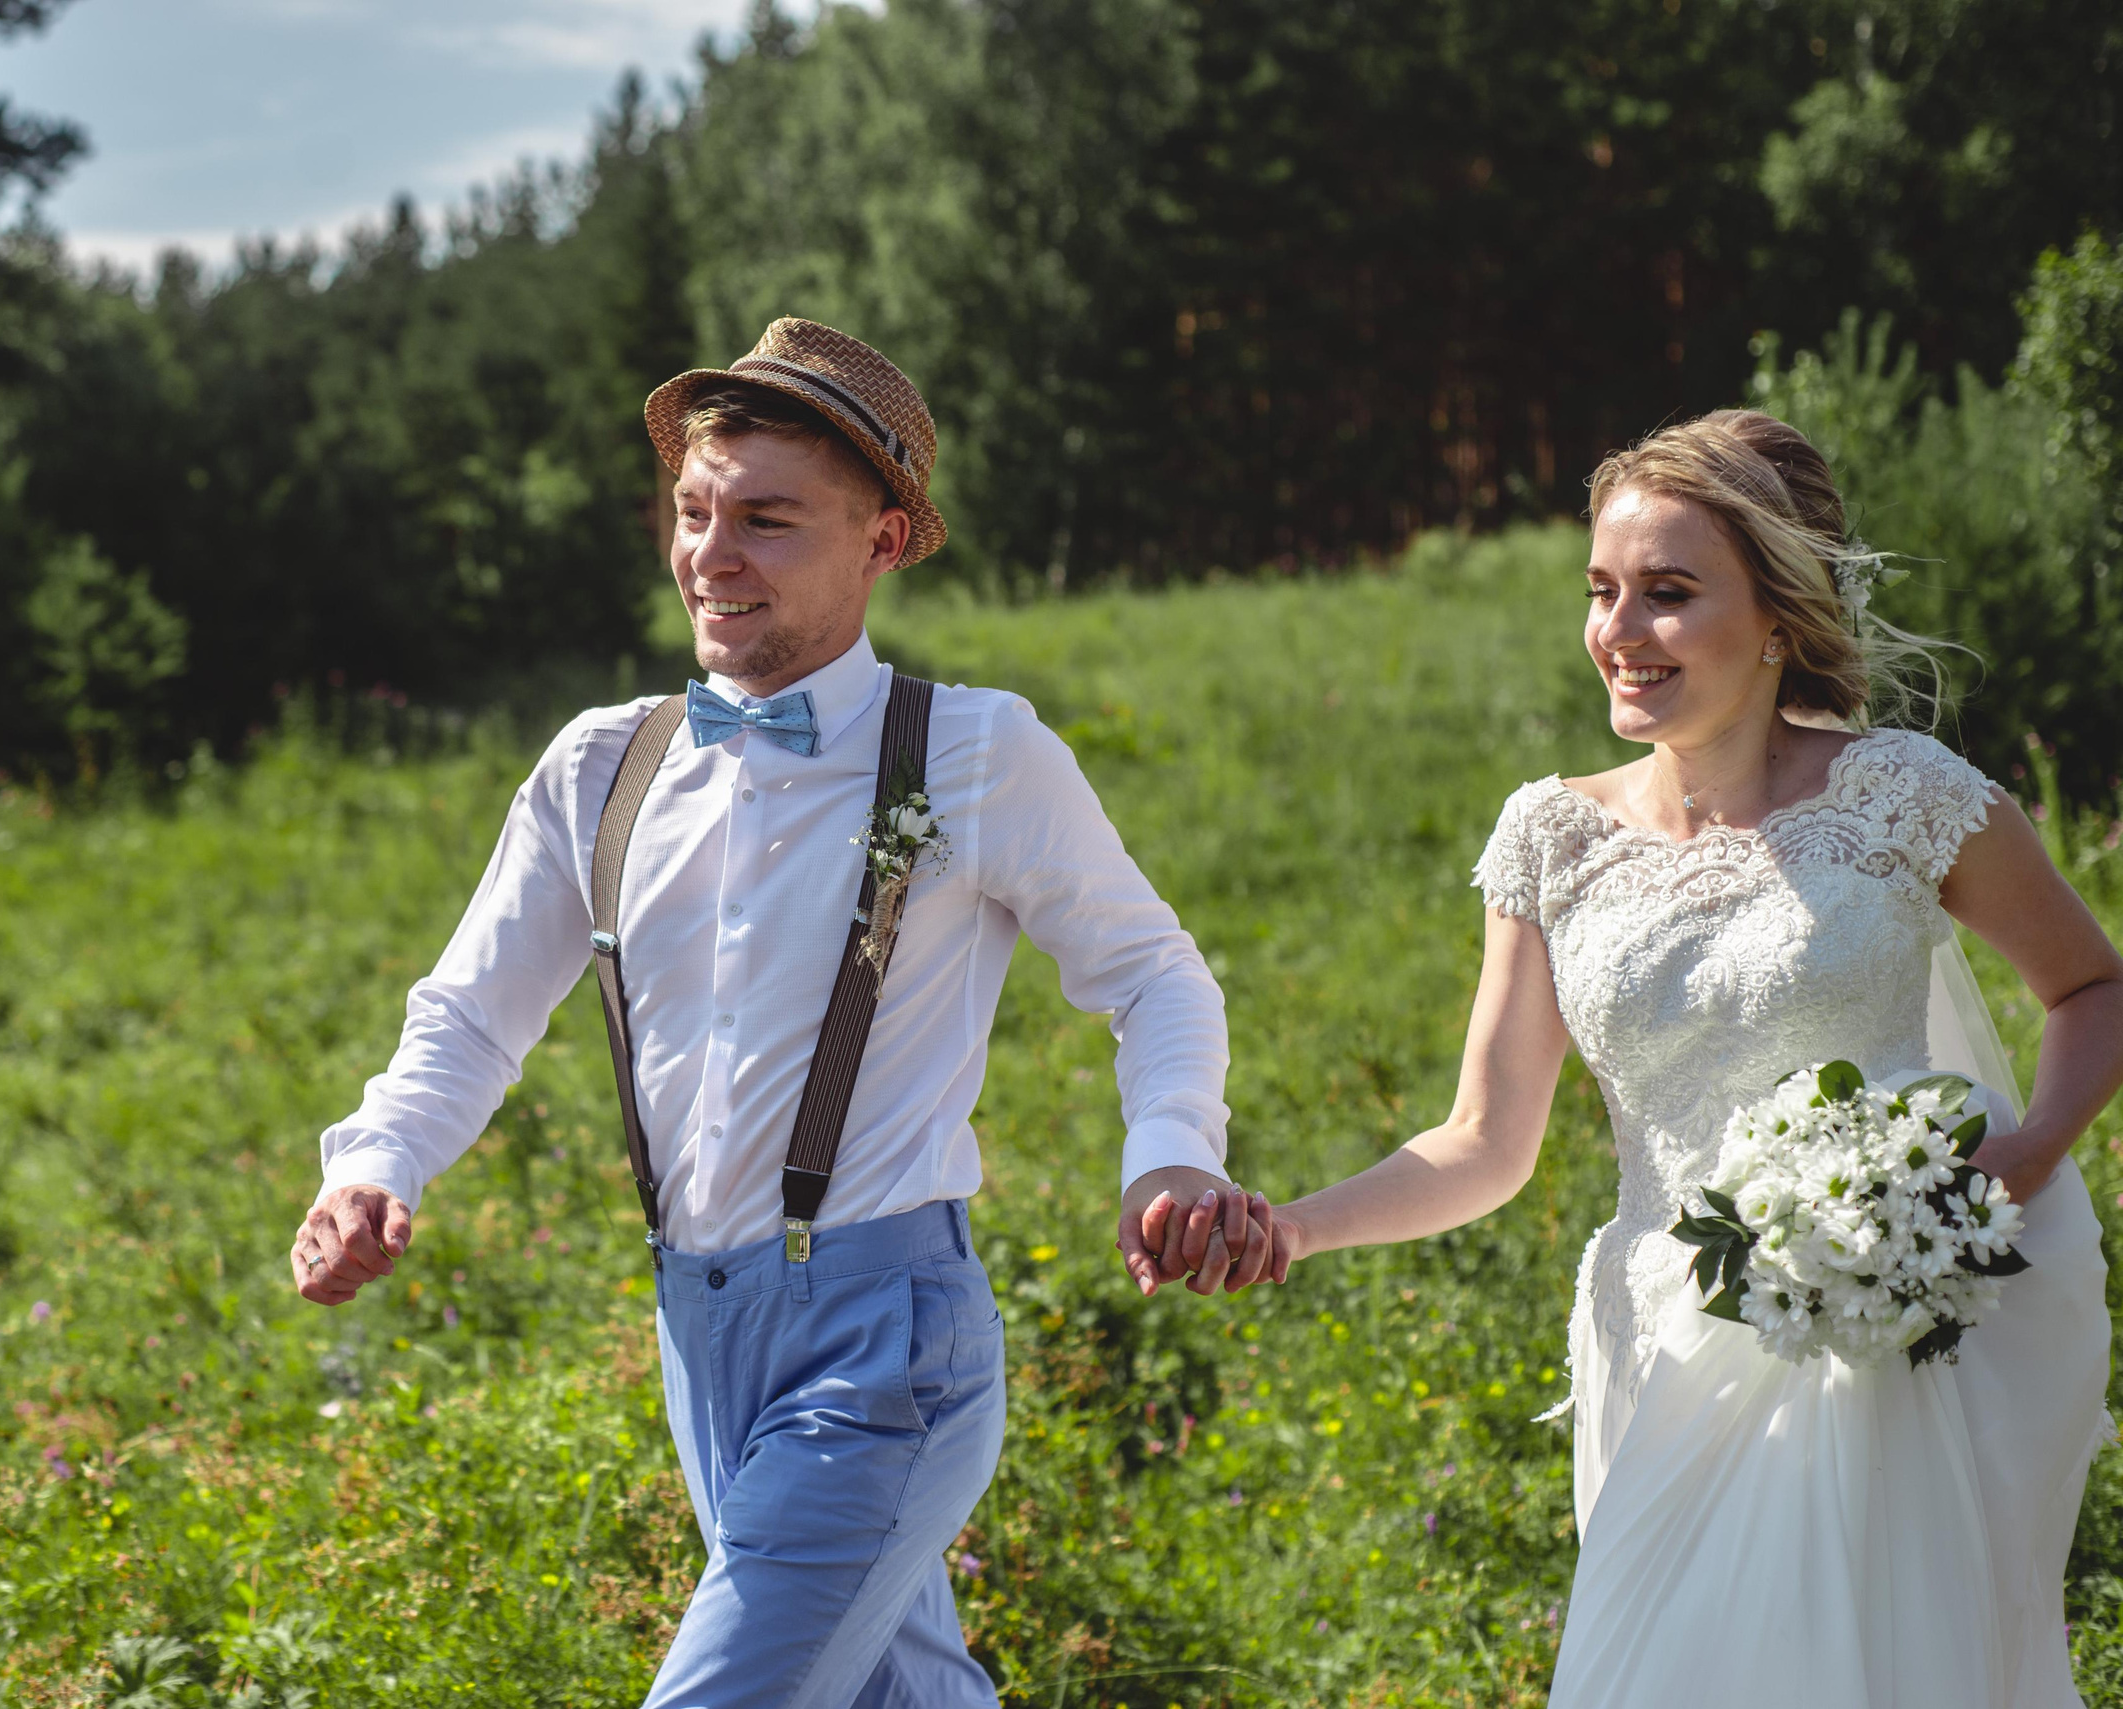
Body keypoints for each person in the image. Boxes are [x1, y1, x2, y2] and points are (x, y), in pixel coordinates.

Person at [288, 317, 1271, 1708]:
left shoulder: (973, 750)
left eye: (766, 519)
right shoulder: (600, 768)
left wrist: (1174, 1145)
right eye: (695, 513)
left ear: (881, 540)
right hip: (700, 1323)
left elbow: (1154, 972)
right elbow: (469, 1011)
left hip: (890, 1335)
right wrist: (375, 1161)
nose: (711, 555)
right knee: (895, 1695)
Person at [1247, 410, 2123, 1706]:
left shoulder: (1903, 795)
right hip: (1662, 1346)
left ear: (1777, 615)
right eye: (1603, 592)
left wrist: (2026, 1151)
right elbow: (1483, 1139)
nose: (1619, 630)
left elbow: (2093, 984)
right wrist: (1289, 1228)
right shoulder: (1552, 836)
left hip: (1880, 1359)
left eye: (1667, 593)